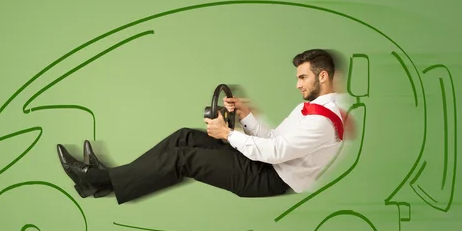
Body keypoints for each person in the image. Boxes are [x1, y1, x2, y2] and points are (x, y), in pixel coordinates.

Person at [57, 49, 347, 204]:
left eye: (302, 78)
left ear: (322, 77)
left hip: (268, 178)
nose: (297, 84)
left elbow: (275, 152)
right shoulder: (309, 109)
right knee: (183, 136)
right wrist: (245, 116)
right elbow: (274, 138)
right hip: (265, 164)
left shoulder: (323, 120)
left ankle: (96, 179)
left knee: (184, 158)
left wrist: (228, 134)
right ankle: (103, 180)